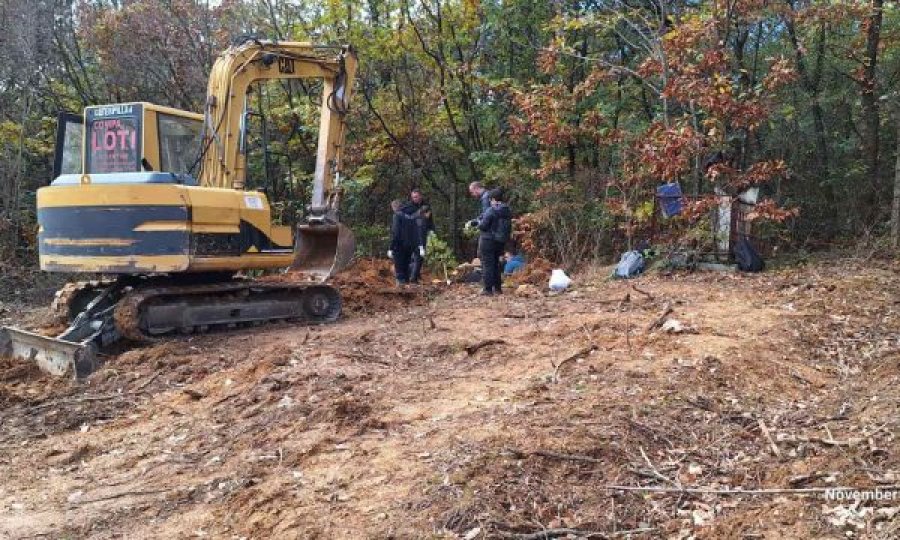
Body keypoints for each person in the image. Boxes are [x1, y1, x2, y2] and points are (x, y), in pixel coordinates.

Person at [476, 189, 512, 295]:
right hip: (500, 241)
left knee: (487, 264)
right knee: (496, 263)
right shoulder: (507, 210)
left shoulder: (491, 210)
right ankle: (497, 288)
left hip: (488, 240)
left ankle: (487, 289)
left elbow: (483, 226)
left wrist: (478, 222)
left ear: (493, 199)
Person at [388, 200, 425, 285]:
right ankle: (408, 288)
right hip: (410, 246)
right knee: (406, 267)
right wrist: (420, 245)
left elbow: (396, 233)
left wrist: (391, 247)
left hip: (399, 246)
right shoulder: (410, 216)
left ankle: (401, 290)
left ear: (394, 207)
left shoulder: (397, 216)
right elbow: (417, 231)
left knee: (399, 269)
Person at [402, 188, 434, 283]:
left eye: (416, 197)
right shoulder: (408, 206)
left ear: (420, 196)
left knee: (419, 257)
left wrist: (432, 231)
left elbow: (430, 220)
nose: (414, 198)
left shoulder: (426, 205)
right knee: (414, 257)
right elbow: (404, 219)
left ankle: (415, 276)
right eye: (413, 197)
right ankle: (412, 278)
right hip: (411, 235)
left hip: (423, 233)